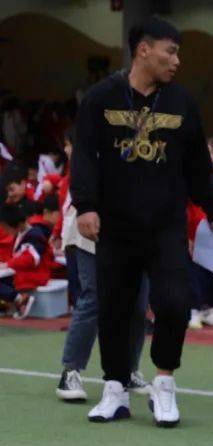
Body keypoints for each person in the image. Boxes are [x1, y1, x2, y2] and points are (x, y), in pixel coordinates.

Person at [71, 17, 213, 427]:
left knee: (175, 303)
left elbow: (198, 166)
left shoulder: (182, 103)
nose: (177, 61)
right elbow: (84, 154)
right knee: (114, 309)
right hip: (114, 226)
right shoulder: (101, 98)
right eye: (170, 51)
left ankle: (164, 384)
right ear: (144, 50)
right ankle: (115, 389)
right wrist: (85, 205)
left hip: (165, 226)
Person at [55, 127, 150, 402]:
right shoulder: (95, 144)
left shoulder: (149, 150)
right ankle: (70, 371)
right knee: (93, 298)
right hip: (90, 233)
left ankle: (129, 370)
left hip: (133, 231)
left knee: (138, 304)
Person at [0, 201, 54, 318]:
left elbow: (32, 258)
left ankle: (20, 299)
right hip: (22, 273)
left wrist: (8, 264)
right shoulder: (20, 234)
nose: (4, 230)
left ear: (17, 224)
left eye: (5, 227)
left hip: (33, 275)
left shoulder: (35, 235)